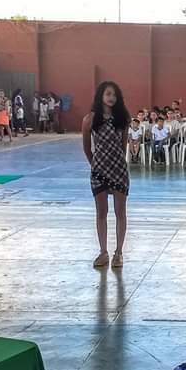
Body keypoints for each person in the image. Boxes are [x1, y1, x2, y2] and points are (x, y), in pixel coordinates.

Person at [82, 81, 130, 269]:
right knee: (101, 212)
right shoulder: (90, 119)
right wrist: (95, 165)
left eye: (115, 95)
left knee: (120, 212)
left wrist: (117, 163)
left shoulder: (123, 118)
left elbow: (123, 146)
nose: (111, 98)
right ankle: (103, 252)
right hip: (99, 170)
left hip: (119, 170)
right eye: (108, 94)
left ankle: (119, 252)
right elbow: (87, 148)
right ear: (101, 96)